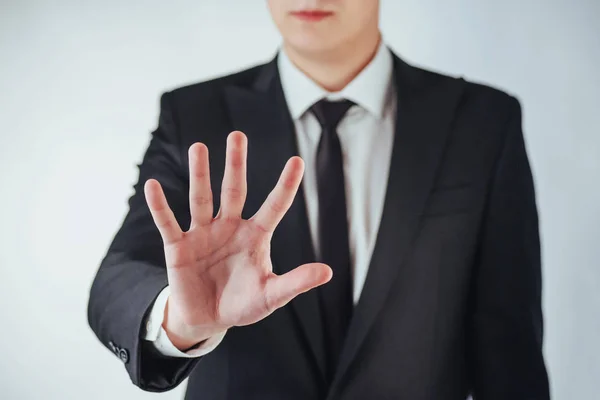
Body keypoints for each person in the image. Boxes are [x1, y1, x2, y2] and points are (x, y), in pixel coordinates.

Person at [87, 0, 551, 398]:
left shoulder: (483, 124)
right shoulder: (193, 115)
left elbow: (509, 348)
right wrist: (180, 321)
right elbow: (119, 277)